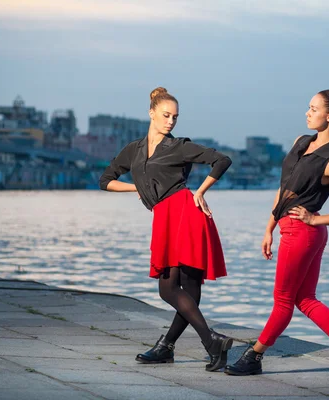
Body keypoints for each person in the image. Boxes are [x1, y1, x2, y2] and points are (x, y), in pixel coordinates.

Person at [225, 89, 329, 381]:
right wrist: (268, 228)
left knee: (283, 301)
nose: (307, 112)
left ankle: (253, 356)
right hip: (290, 230)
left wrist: (315, 218)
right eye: (308, 107)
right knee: (304, 299)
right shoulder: (300, 142)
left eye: (314, 108)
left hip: (305, 233)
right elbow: (284, 191)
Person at [99, 87, 233, 371]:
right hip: (164, 217)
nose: (170, 121)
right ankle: (183, 346)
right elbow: (106, 180)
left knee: (176, 287)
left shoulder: (179, 146)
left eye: (175, 117)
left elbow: (221, 160)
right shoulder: (133, 150)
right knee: (174, 288)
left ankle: (201, 344)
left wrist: (200, 191)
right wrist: (137, 186)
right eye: (165, 115)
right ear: (151, 113)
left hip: (186, 213)